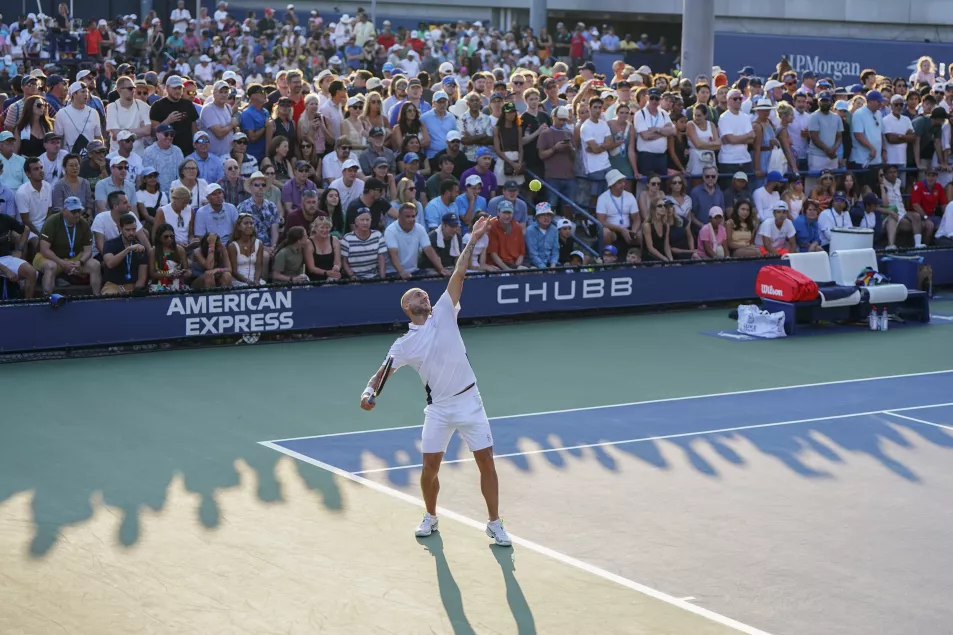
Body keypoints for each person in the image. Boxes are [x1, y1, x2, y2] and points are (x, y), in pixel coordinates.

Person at [359, 215, 511, 547]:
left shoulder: (444, 309)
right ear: (407, 307)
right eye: (417, 296)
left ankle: (495, 522)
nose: (424, 297)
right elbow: (384, 371)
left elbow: (458, 273)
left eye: (425, 295)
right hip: (439, 409)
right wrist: (370, 390)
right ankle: (430, 516)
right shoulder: (403, 344)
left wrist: (472, 239)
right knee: (430, 466)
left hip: (470, 401)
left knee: (486, 461)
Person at [101, 212, 148, 295]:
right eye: (128, 230)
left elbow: (142, 277)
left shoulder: (140, 247)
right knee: (108, 298)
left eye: (134, 229)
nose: (131, 233)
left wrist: (136, 291)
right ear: (120, 228)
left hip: (132, 286)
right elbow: (110, 263)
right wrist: (128, 249)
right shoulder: (110, 244)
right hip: (113, 285)